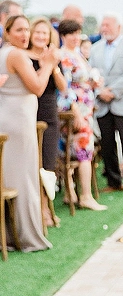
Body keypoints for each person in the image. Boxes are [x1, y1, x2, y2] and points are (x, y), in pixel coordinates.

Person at [0, 15, 57, 251]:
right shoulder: (16, 54)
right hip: (18, 122)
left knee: (10, 177)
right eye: (19, 30)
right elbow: (37, 87)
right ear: (8, 32)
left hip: (9, 119)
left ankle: (10, 234)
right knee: (23, 178)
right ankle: (25, 236)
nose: (24, 35)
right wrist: (49, 65)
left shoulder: (4, 53)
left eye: (27, 30)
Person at [90, 13, 123, 196]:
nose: (104, 28)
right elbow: (91, 74)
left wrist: (111, 91)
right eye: (102, 25)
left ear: (119, 27)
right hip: (102, 104)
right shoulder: (95, 48)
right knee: (107, 144)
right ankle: (114, 181)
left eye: (108, 25)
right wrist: (99, 91)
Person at [57, 20, 106, 211]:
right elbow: (65, 88)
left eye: (77, 33)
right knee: (83, 152)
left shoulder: (77, 54)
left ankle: (74, 193)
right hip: (75, 110)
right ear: (63, 36)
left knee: (82, 151)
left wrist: (93, 85)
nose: (75, 38)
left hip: (86, 108)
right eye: (71, 34)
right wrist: (75, 112)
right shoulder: (64, 57)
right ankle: (85, 195)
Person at [28, 17, 67, 226]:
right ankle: (34, 211)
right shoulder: (23, 58)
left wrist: (52, 66)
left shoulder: (53, 57)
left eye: (45, 33)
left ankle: (45, 208)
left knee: (48, 165)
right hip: (29, 114)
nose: (41, 36)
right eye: (38, 33)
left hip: (49, 114)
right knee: (32, 165)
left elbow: (63, 87)